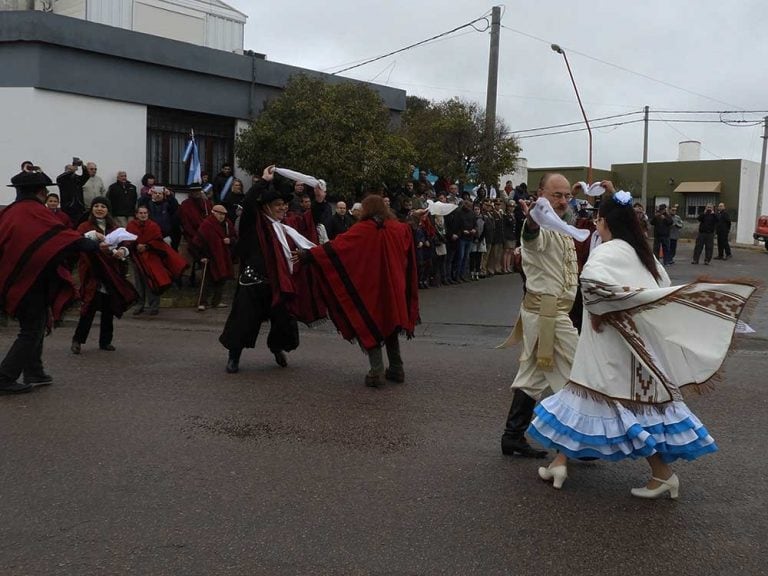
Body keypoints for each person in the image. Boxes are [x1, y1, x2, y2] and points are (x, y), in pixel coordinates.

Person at [529, 189, 756, 497]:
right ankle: (560, 462)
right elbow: (661, 291)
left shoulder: (607, 251)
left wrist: (612, 305)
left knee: (609, 405)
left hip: (607, 344)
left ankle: (662, 474)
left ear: (604, 221)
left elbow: (593, 287)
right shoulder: (643, 254)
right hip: (634, 344)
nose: (596, 225)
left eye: (597, 220)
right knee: (589, 400)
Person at [299, 194, 419, 387]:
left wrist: (309, 255)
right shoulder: (398, 228)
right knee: (390, 323)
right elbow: (408, 238)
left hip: (370, 287)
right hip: (394, 286)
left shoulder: (363, 229)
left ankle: (376, 371)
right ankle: (397, 368)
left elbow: (337, 248)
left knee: (369, 323)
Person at [499, 173, 579, 458]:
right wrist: (533, 218)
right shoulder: (539, 225)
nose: (563, 201)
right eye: (556, 195)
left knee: (532, 375)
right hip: (549, 316)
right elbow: (532, 237)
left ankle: (512, 436)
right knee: (578, 374)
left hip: (552, 313)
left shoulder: (561, 226)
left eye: (567, 195)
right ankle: (573, 443)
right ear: (541, 194)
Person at [0, 171, 97, 394]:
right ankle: (5, 377)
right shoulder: (34, 212)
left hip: (20, 279)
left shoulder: (10, 212)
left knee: (37, 324)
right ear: (41, 192)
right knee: (31, 330)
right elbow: (60, 237)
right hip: (28, 282)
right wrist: (88, 244)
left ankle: (35, 370)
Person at [219, 166, 321, 373]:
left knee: (283, 322)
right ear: (266, 207)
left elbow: (310, 221)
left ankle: (276, 348)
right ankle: (234, 357)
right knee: (243, 320)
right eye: (277, 205)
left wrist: (319, 201)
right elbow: (248, 204)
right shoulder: (253, 223)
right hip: (254, 281)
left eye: (284, 204)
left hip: (279, 283)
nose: (283, 208)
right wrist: (263, 182)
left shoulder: (288, 225)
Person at [71, 197, 138, 354]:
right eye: (96, 206)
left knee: (109, 308)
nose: (99, 209)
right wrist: (94, 237)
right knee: (89, 308)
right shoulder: (85, 226)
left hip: (111, 273)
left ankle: (105, 341)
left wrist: (123, 250)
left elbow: (126, 241)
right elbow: (77, 240)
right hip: (93, 272)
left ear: (108, 210)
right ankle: (77, 340)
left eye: (103, 206)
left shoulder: (113, 227)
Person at [127, 205, 188, 315]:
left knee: (152, 281)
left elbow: (158, 241)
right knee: (139, 283)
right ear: (136, 215)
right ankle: (139, 305)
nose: (143, 215)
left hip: (151, 257)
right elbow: (126, 239)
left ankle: (153, 305)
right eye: (141, 213)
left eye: (145, 213)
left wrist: (147, 246)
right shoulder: (131, 226)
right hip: (137, 258)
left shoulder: (153, 226)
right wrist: (135, 245)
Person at [193, 204, 237, 311]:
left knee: (221, 279)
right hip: (209, 257)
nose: (221, 216)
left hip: (223, 256)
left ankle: (216, 301)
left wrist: (230, 241)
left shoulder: (227, 224)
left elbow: (235, 237)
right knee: (207, 281)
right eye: (219, 214)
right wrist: (201, 257)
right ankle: (202, 302)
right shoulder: (206, 225)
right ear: (214, 213)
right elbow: (197, 242)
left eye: (223, 214)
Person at [179, 184, 213, 286]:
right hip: (190, 235)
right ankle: (187, 277)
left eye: (198, 191)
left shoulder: (207, 204)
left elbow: (211, 220)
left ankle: (208, 277)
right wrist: (195, 236)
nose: (197, 193)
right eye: (194, 191)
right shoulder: (185, 205)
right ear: (190, 193)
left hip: (205, 236)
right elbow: (185, 223)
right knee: (187, 252)